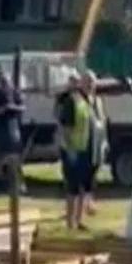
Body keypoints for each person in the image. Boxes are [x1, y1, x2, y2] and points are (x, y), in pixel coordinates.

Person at [55, 73, 91, 230]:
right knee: (72, 188)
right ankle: (70, 222)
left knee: (82, 186)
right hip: (72, 150)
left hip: (83, 148)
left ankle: (79, 219)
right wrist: (70, 150)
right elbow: (66, 128)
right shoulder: (70, 101)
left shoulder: (83, 100)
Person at [0, 69, 26, 193]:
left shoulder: (15, 93)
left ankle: (17, 182)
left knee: (15, 157)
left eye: (6, 81)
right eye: (2, 81)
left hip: (13, 129)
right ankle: (0, 182)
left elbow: (23, 107)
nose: (4, 84)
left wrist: (12, 107)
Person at [82, 71, 108, 215]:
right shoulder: (81, 100)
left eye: (92, 82)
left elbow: (103, 121)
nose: (91, 85)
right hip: (84, 142)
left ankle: (90, 202)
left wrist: (105, 141)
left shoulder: (97, 100)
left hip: (97, 142)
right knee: (84, 174)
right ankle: (84, 204)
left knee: (94, 172)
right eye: (88, 82)